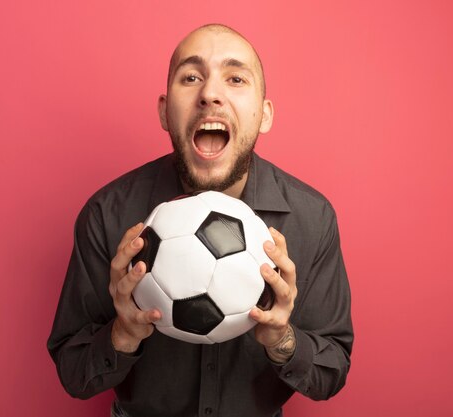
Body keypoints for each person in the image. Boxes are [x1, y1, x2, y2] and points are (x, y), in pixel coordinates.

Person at [48, 24, 353, 417]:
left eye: (236, 78)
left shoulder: (313, 218)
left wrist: (282, 339)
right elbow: (73, 375)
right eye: (191, 77)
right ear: (164, 111)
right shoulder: (108, 214)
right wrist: (122, 334)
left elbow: (332, 373)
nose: (210, 94)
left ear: (263, 115)